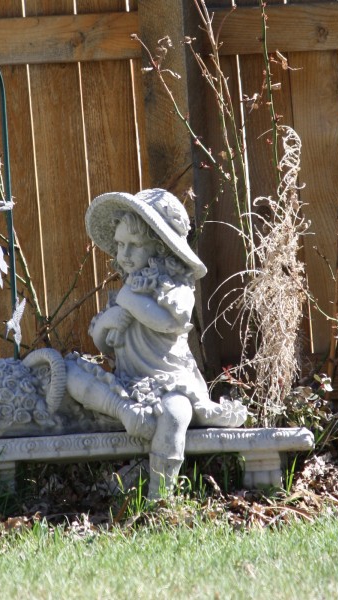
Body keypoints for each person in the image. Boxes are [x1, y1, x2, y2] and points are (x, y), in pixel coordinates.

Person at [64, 188, 246, 495]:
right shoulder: (129, 287)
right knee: (70, 370)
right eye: (121, 245)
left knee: (176, 414)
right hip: (128, 383)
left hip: (169, 383)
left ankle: (160, 496)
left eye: (134, 245)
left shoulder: (175, 288)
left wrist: (129, 302)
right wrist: (107, 323)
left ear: (161, 249)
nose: (124, 254)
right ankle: (124, 412)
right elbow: (105, 345)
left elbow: (167, 323)